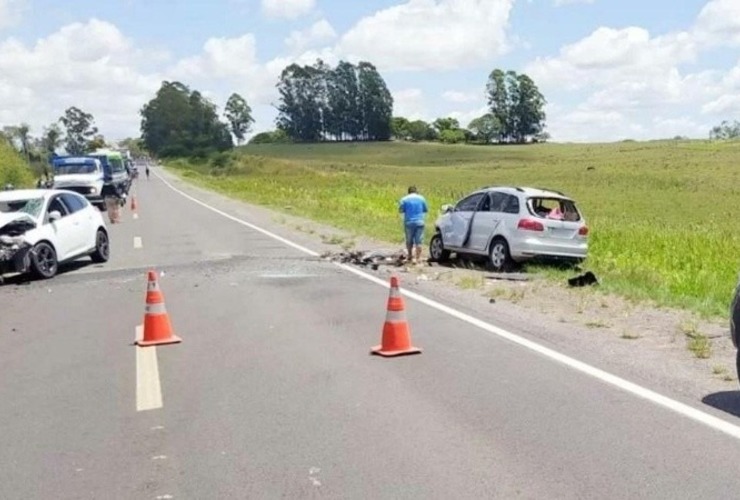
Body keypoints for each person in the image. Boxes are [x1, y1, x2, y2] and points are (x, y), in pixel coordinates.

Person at [398, 186, 428, 264]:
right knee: (419, 241)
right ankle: (418, 258)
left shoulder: (404, 199)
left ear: (408, 192)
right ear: (416, 191)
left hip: (409, 222)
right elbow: (425, 209)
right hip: (420, 222)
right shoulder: (422, 198)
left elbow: (401, 210)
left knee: (409, 240)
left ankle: (410, 256)